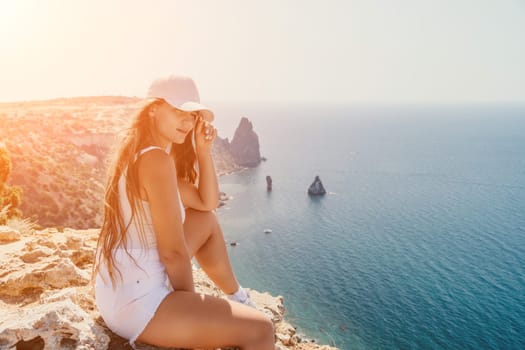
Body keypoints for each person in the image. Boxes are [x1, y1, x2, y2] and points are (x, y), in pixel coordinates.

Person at [93, 75, 274, 349]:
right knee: (262, 330)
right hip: (138, 302)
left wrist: (203, 152)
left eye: (192, 115)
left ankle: (237, 296)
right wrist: (191, 306)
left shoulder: (144, 154)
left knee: (205, 220)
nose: (188, 123)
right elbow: (173, 253)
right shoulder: (155, 160)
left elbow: (206, 203)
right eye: (179, 111)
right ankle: (237, 305)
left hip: (129, 284)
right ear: (153, 108)